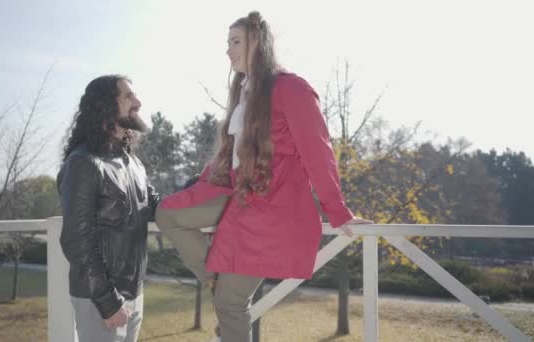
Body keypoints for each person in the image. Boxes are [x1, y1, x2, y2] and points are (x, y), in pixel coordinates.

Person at [155, 11, 373, 341]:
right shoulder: (243, 92)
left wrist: (337, 210)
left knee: (229, 303)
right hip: (237, 197)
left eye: (235, 42)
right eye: (227, 43)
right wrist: (203, 180)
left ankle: (218, 282)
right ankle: (213, 276)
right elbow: (230, 155)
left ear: (257, 42)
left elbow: (317, 151)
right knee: (167, 213)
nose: (228, 51)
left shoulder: (291, 88)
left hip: (271, 208)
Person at [57, 75, 159, 342]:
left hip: (134, 294)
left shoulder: (133, 163)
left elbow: (157, 206)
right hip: (101, 299)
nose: (138, 102)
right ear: (105, 105)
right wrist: (107, 300)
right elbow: (77, 241)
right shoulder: (83, 162)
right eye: (128, 96)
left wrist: (203, 188)